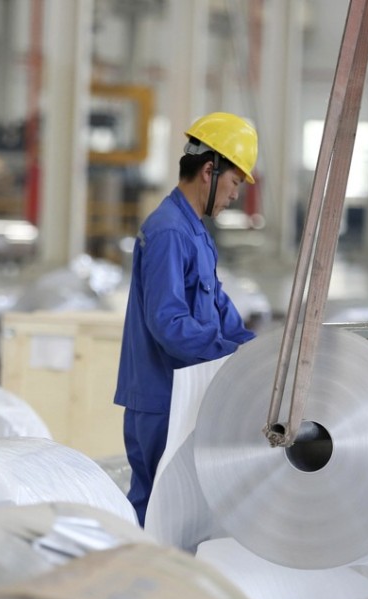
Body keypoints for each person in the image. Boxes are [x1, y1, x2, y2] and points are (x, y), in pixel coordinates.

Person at [114, 112, 258, 526]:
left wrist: (257, 351)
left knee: (183, 514)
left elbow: (219, 309)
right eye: (234, 183)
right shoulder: (169, 232)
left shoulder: (194, 232)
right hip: (161, 401)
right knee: (158, 512)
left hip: (182, 396)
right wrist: (229, 354)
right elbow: (169, 323)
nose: (234, 196)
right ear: (209, 171)